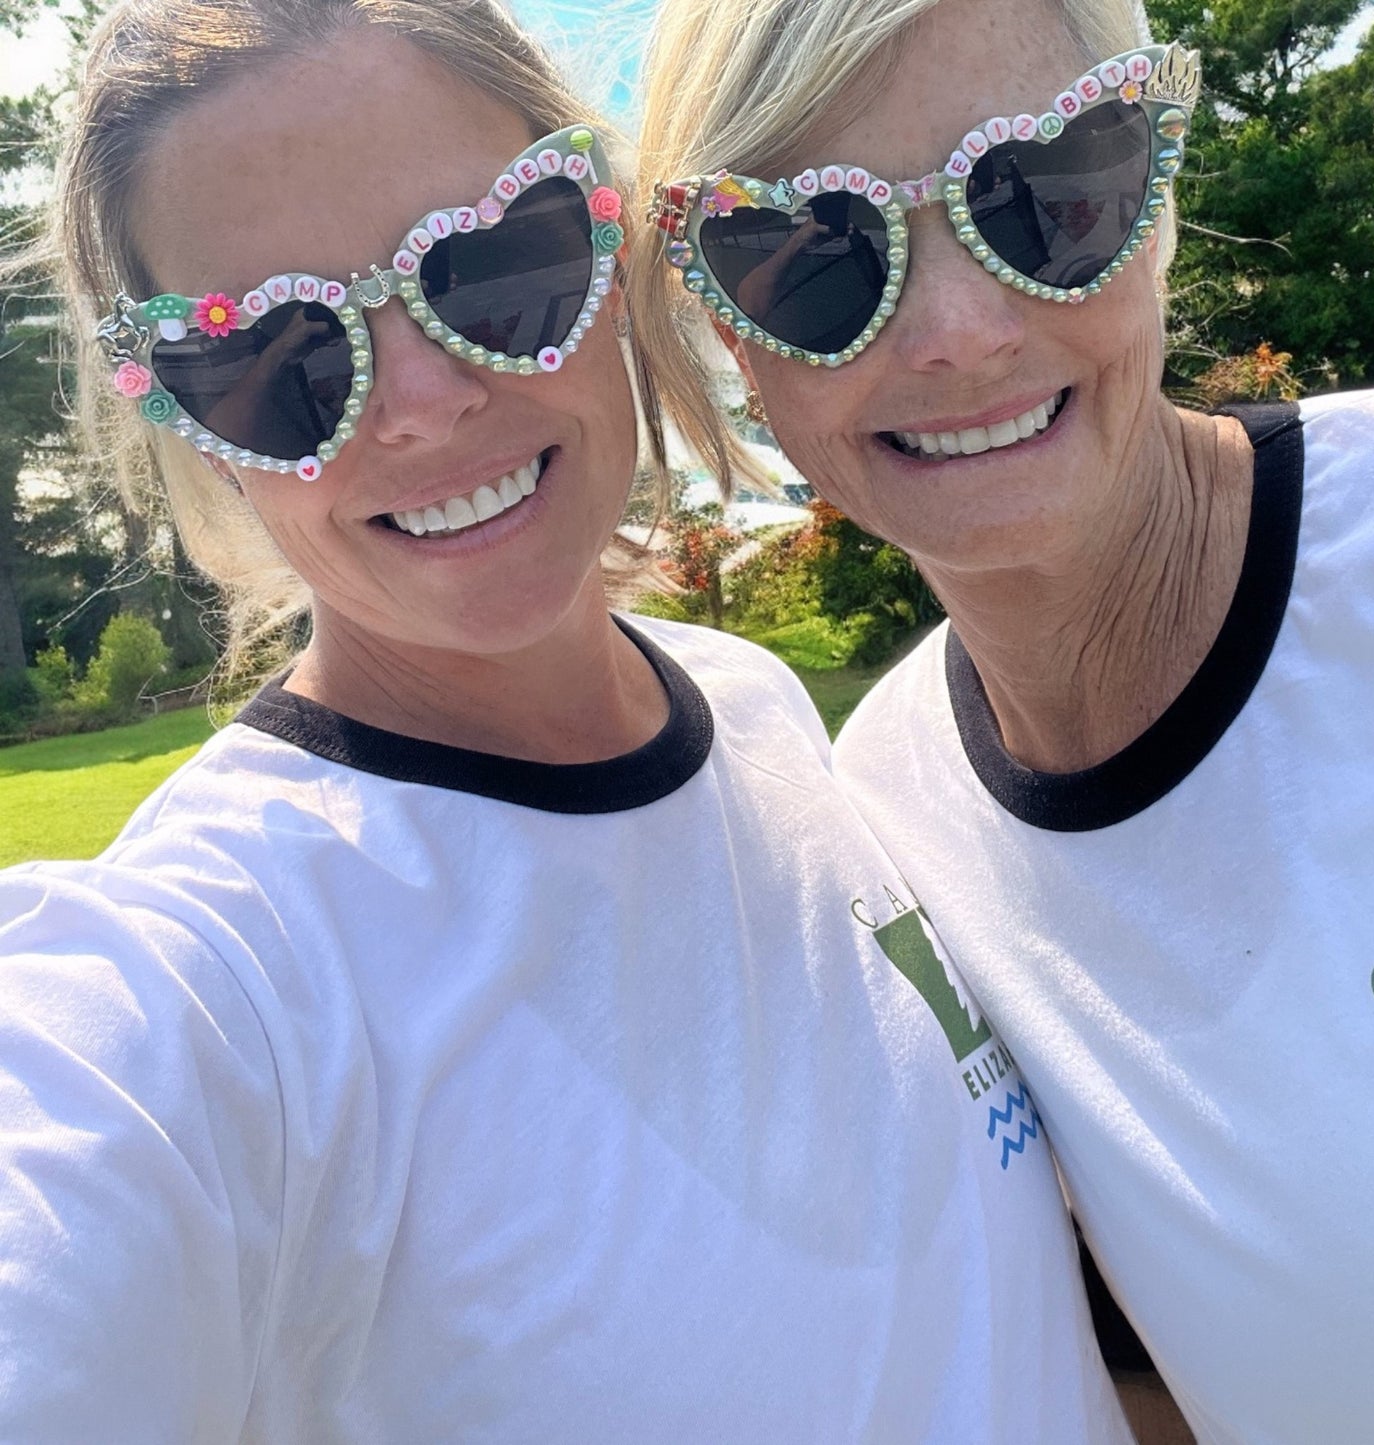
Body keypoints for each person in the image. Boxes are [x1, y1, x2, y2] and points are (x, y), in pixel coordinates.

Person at [0, 2, 1135, 1440]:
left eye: (496, 265)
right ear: (189, 423)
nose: (420, 403)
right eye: (268, 358)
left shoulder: (752, 706)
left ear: (616, 256)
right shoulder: (208, 989)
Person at [637, 0, 1374, 1441]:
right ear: (730, 333)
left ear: (1160, 189)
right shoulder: (885, 833)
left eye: (1046, 189)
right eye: (815, 255)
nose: (959, 333)